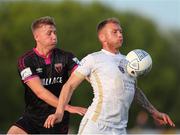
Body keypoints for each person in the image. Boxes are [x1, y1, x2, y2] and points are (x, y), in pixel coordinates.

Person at [43, 18, 175, 134]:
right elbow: (69, 85)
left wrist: (153, 111)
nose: (120, 35)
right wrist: (59, 112)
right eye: (115, 32)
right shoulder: (93, 59)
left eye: (121, 31)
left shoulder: (128, 61)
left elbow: (133, 90)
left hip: (120, 129)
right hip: (96, 126)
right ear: (102, 37)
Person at [7, 16, 87, 134]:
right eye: (49, 33)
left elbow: (84, 75)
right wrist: (69, 108)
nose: (54, 36)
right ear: (37, 37)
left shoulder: (67, 57)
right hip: (32, 118)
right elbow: (40, 92)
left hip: (56, 118)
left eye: (55, 32)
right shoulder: (26, 60)